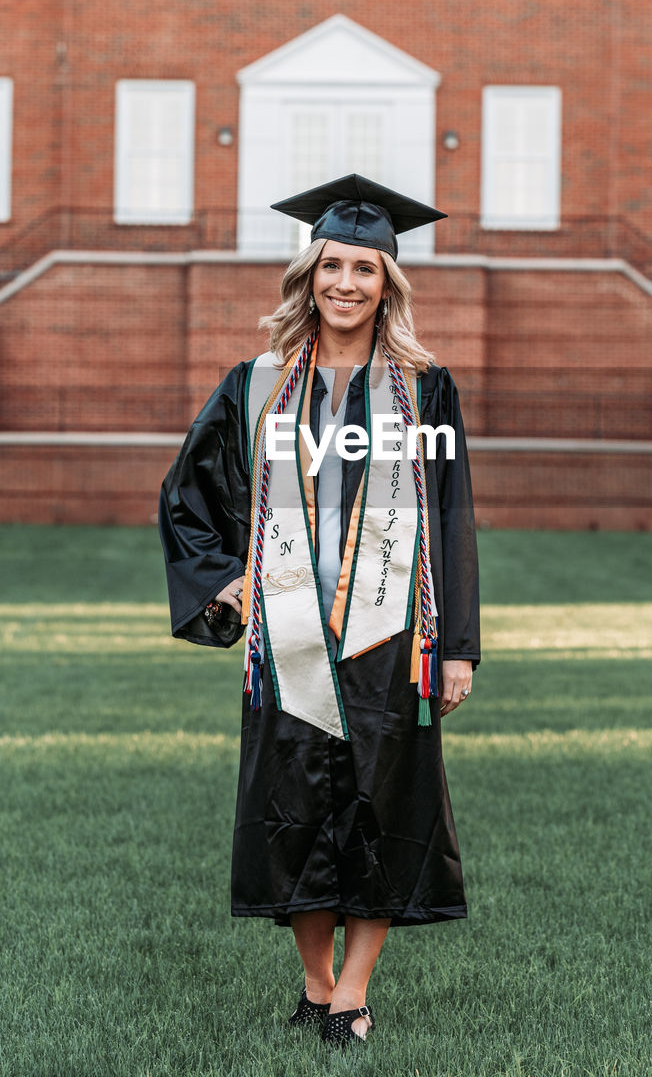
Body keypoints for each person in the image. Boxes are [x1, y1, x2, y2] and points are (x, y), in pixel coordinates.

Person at [158, 173, 480, 1047]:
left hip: (389, 630)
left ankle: (354, 996)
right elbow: (188, 495)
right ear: (308, 276)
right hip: (291, 631)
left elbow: (450, 515)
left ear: (388, 285)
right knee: (292, 803)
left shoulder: (425, 390)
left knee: (385, 802)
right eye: (330, 266)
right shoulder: (255, 386)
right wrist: (224, 581)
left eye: (364, 270)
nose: (345, 284)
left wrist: (456, 648)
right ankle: (315, 983)